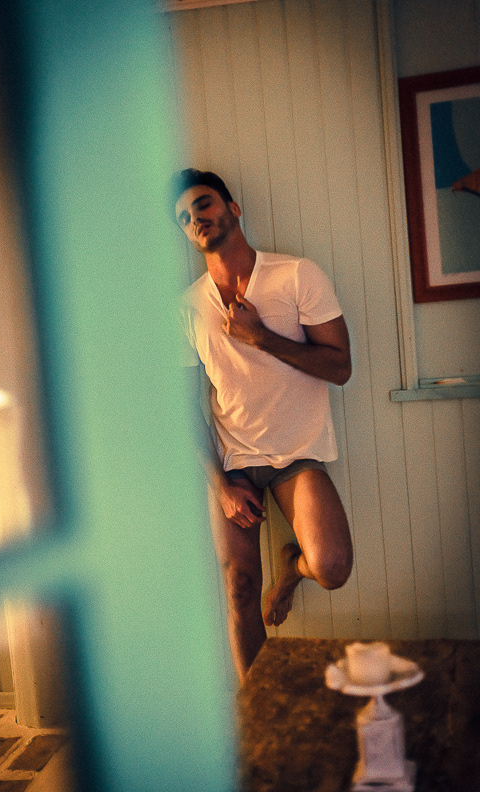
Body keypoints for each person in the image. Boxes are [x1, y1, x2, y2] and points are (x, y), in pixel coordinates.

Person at [173, 168, 353, 682]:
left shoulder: (296, 275)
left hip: (297, 454)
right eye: (184, 217)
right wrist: (220, 486)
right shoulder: (186, 308)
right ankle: (255, 710)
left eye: (204, 204)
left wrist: (262, 338)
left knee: (332, 567)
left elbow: (340, 367)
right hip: (233, 462)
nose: (196, 219)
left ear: (233, 208)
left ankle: (292, 568)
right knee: (238, 589)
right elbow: (184, 407)